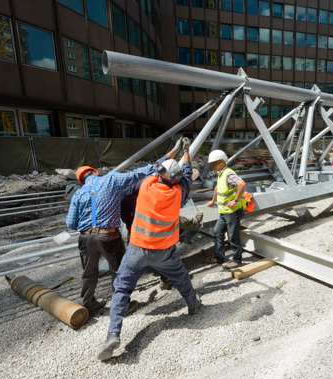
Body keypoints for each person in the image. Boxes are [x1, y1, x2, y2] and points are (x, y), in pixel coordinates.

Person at [98, 138, 200, 361]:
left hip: (137, 249)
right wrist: (187, 153)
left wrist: (175, 148)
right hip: (164, 250)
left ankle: (113, 334)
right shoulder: (179, 194)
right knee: (181, 277)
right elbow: (188, 171)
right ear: (176, 179)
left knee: (122, 289)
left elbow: (157, 165)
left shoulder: (147, 185)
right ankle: (193, 305)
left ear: (160, 175)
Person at [66, 138, 187, 313]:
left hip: (85, 238)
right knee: (118, 272)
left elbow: (70, 222)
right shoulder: (111, 180)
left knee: (89, 273)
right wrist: (174, 151)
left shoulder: (78, 194)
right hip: (109, 236)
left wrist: (86, 226)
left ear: (81, 181)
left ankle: (88, 304)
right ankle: (123, 306)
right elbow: (145, 171)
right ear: (96, 172)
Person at [206, 150, 247, 269]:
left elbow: (242, 184)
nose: (212, 166)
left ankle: (237, 260)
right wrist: (213, 201)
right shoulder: (221, 173)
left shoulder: (228, 173)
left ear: (220, 162)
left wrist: (235, 200)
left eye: (213, 163)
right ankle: (219, 257)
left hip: (232, 212)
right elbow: (218, 188)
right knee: (217, 232)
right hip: (224, 212)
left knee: (233, 236)